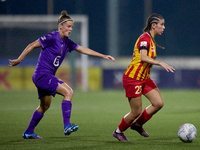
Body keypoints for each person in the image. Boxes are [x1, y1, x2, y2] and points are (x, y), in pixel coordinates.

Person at [9, 10, 115, 139]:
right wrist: (19, 60)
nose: (70, 29)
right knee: (69, 92)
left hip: (43, 76)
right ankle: (67, 126)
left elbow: (82, 49)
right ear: (60, 26)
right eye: (68, 26)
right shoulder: (52, 37)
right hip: (42, 75)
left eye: (72, 27)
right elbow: (32, 45)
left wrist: (102, 55)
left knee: (44, 106)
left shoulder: (67, 42)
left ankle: (29, 132)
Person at [113, 13, 175, 141]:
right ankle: (118, 131)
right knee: (136, 111)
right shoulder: (144, 39)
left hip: (144, 78)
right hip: (133, 78)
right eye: (161, 24)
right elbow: (143, 57)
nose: (164, 27)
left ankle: (137, 125)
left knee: (158, 103)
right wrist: (159, 63)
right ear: (153, 25)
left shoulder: (151, 40)